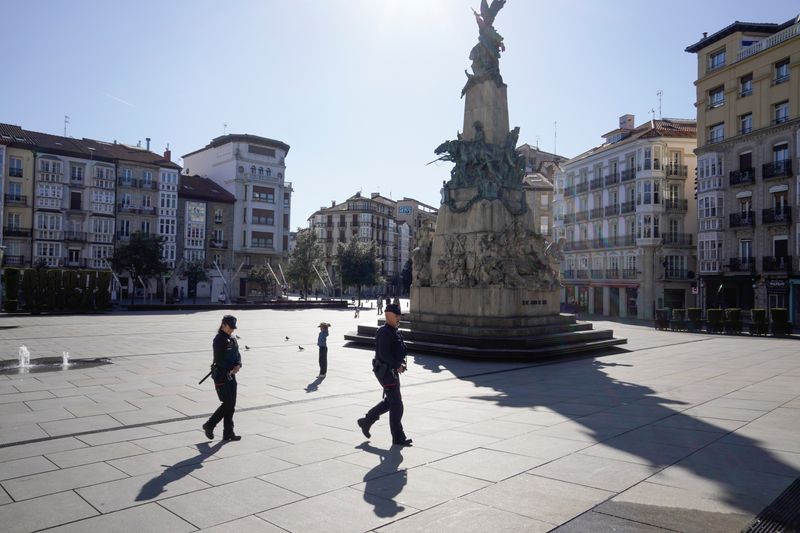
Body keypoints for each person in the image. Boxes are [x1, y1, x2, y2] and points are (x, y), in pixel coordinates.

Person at [357, 303, 412, 447]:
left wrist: (401, 364)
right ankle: (398, 437)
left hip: (391, 371)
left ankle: (366, 421)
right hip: (385, 372)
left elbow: (397, 351)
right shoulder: (384, 332)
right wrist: (397, 365)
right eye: (396, 316)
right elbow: (384, 354)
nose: (399, 318)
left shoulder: (394, 331)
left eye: (400, 316)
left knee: (390, 401)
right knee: (396, 404)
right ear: (388, 316)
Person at [202, 315, 242, 442]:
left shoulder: (232, 338)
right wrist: (230, 368)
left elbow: (238, 353)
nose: (232, 330)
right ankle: (209, 424)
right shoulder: (219, 339)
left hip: (231, 375)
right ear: (223, 325)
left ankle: (228, 432)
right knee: (228, 403)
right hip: (221, 375)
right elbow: (219, 360)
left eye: (233, 328)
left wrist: (238, 364)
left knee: (232, 404)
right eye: (230, 328)